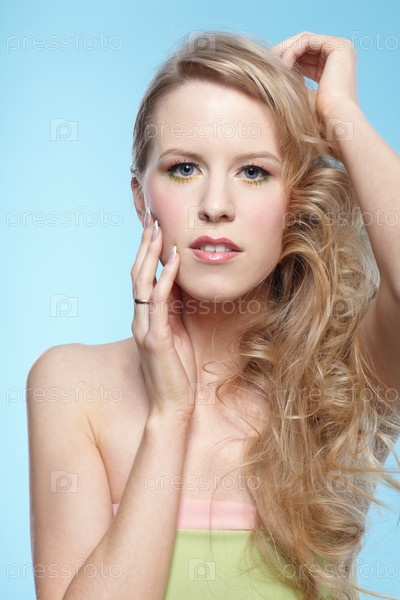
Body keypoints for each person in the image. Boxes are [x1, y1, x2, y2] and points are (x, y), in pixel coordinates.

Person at [26, 30, 400, 600]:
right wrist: (169, 416)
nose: (216, 206)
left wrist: (342, 118)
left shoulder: (338, 377)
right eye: (184, 169)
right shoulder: (71, 385)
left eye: (254, 172)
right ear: (140, 199)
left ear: (296, 202)